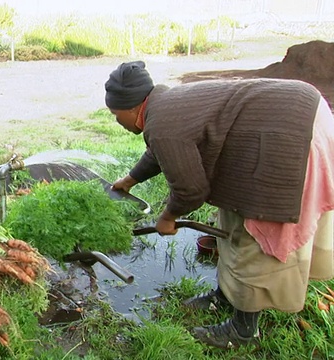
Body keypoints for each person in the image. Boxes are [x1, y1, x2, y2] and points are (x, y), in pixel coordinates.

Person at [105, 61, 334, 349]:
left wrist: (168, 216)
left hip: (292, 134)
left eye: (115, 114)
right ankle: (226, 295)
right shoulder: (164, 106)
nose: (116, 121)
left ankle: (243, 331)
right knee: (230, 223)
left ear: (131, 107)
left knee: (255, 233)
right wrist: (130, 180)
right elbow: (161, 151)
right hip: (298, 114)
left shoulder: (162, 121)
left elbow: (191, 190)